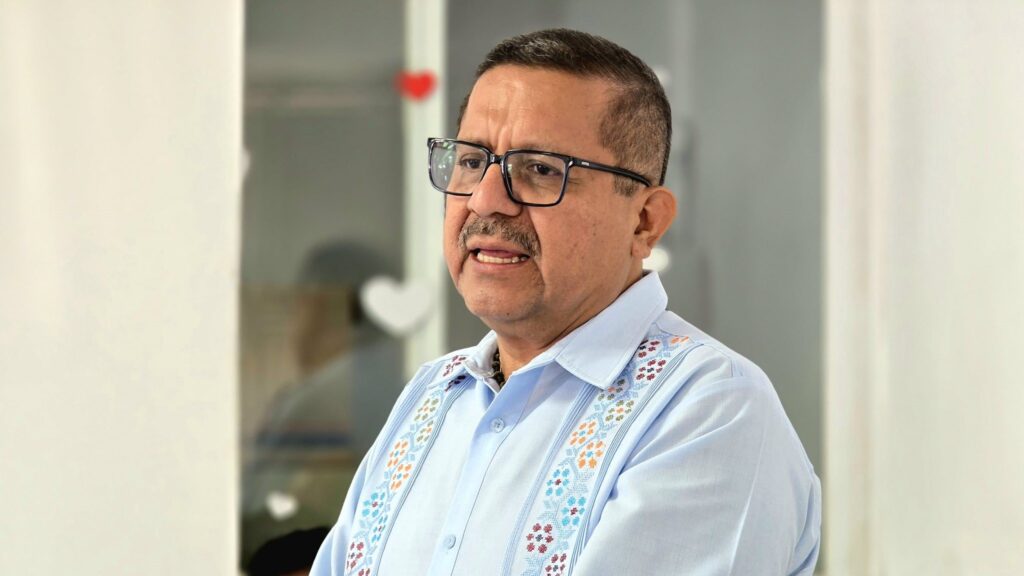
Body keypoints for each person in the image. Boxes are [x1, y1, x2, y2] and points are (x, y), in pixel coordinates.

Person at [311, 28, 820, 575]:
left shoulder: (709, 408)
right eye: (471, 161)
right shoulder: (433, 397)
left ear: (644, 222)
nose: (485, 200)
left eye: (541, 169)